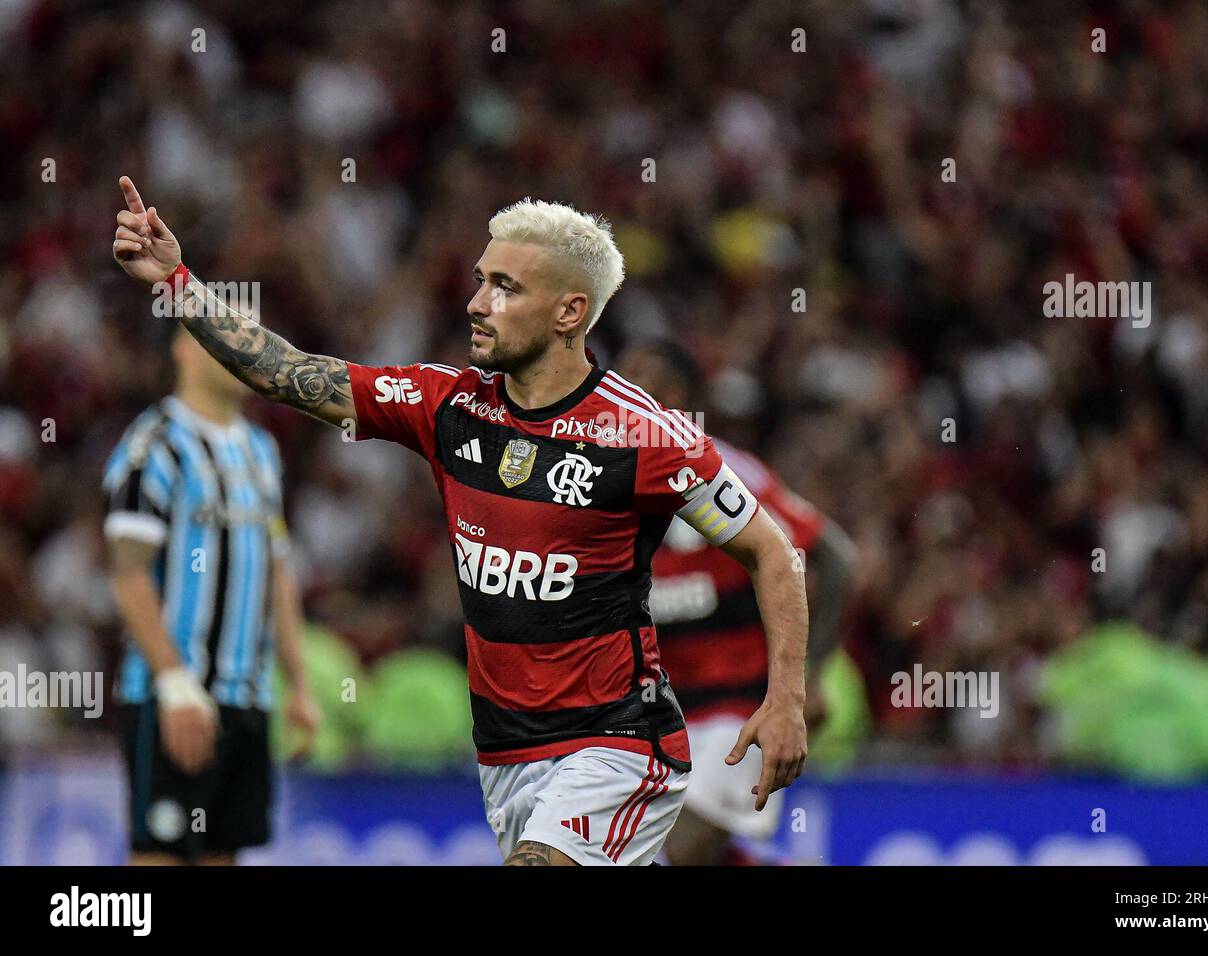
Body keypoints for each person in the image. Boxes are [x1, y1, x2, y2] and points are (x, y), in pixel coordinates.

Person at [111, 176, 810, 866]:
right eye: (480, 280)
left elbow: (774, 552)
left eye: (506, 288)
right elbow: (288, 372)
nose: (478, 303)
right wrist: (177, 280)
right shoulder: (446, 406)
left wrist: (787, 699)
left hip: (618, 743)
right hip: (507, 752)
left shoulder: (646, 438)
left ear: (570, 313)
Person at [619, 340, 858, 865]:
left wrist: (805, 683)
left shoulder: (720, 469)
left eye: (644, 381)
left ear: (678, 399)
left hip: (744, 710)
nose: (624, 394)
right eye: (622, 379)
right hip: (663, 720)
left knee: (673, 855)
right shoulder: (604, 484)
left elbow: (834, 558)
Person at [104, 324, 319, 865]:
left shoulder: (261, 451)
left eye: (249, 340)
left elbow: (276, 571)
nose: (243, 352)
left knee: (224, 854)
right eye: (223, 338)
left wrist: (299, 684)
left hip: (245, 695)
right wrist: (174, 683)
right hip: (176, 696)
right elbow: (128, 572)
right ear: (183, 346)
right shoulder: (153, 445)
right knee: (160, 856)